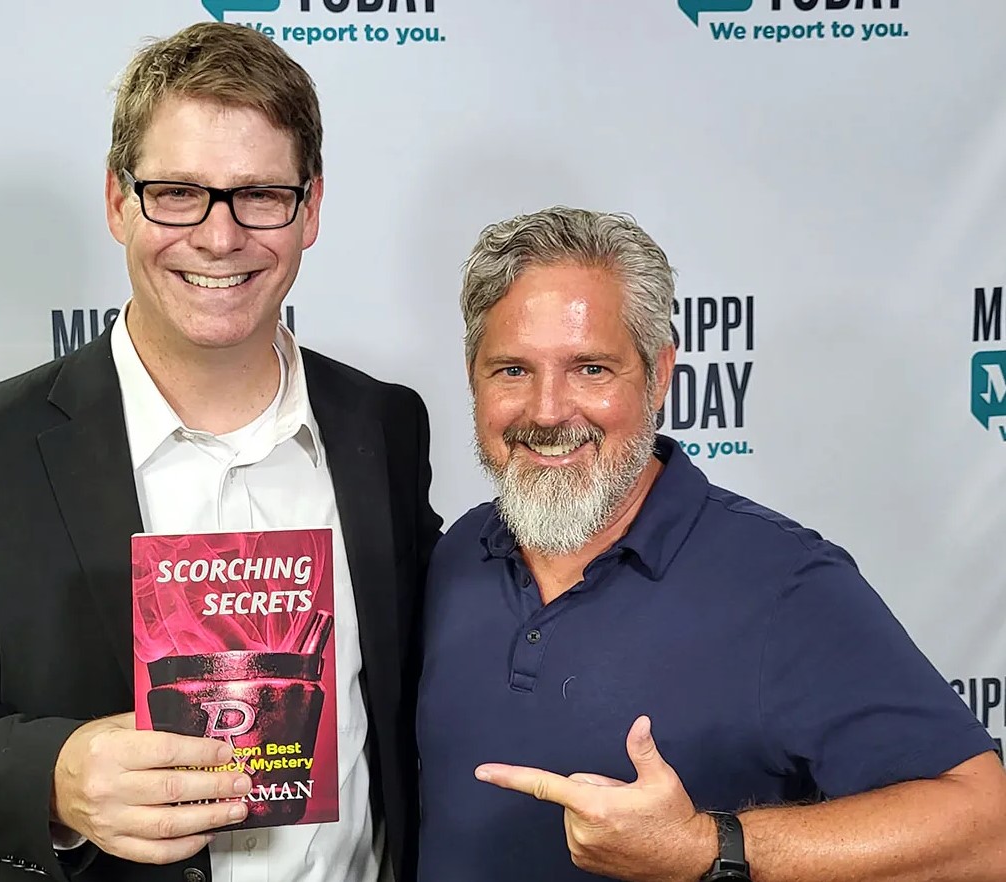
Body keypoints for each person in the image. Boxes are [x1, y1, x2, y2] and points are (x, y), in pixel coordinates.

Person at [0, 21, 440, 882]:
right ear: (118, 201)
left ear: (309, 209)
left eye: (259, 195)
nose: (219, 237)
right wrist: (57, 777)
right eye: (177, 192)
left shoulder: (384, 424)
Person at [415, 206, 1006, 882]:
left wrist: (707, 847)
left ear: (659, 374)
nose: (547, 411)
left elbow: (986, 827)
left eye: (590, 369)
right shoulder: (454, 556)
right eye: (512, 370)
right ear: (473, 377)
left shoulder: (783, 584)